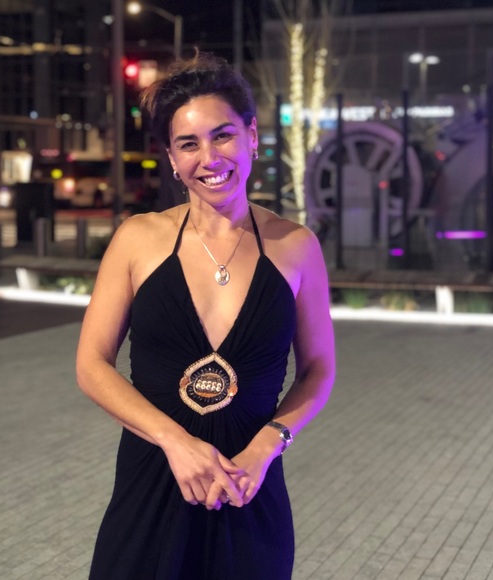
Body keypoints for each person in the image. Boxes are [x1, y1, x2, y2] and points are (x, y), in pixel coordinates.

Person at [76, 51, 335, 580]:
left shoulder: (295, 246)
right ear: (172, 158)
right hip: (151, 484)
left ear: (252, 136)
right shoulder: (138, 239)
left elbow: (318, 370)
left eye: (223, 136)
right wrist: (175, 442)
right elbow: (92, 364)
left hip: (248, 487)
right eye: (188, 144)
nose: (210, 158)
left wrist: (267, 446)